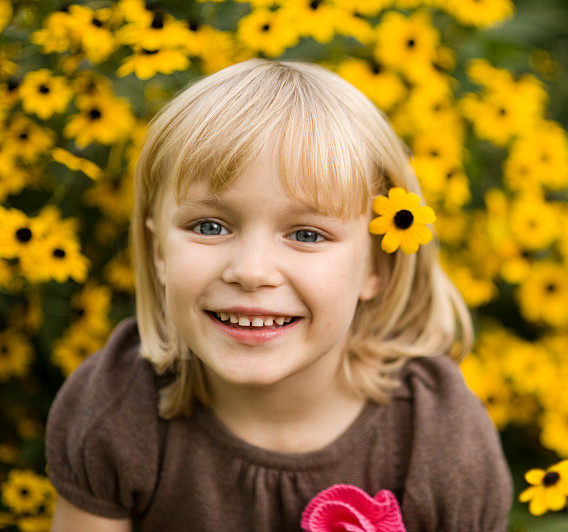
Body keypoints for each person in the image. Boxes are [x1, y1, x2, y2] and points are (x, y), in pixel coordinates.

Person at [45, 59, 513, 531]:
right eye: (209, 226)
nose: (251, 272)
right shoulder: (117, 408)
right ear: (157, 251)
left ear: (379, 267)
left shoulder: (440, 442)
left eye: (307, 234)